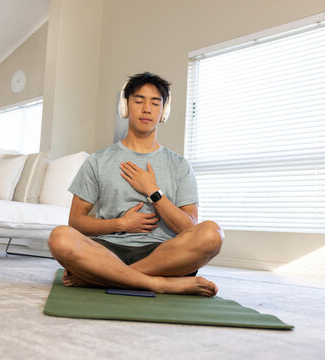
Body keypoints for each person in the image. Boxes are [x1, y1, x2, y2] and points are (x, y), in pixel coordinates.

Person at [48, 72, 224, 296]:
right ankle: (159, 284)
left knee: (213, 233)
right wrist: (120, 225)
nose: (147, 109)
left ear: (164, 111)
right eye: (139, 101)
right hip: (108, 250)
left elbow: (190, 228)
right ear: (125, 107)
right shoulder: (98, 160)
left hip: (164, 253)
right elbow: (76, 221)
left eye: (155, 102)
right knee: (60, 237)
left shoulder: (180, 165)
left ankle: (109, 276)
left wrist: (154, 192)